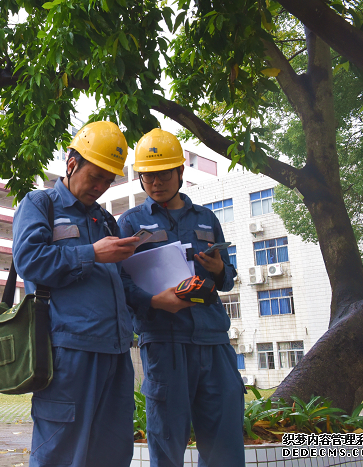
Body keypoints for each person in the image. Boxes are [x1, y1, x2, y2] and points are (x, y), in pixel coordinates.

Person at [12, 121, 140, 467]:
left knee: (112, 454)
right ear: (72, 164)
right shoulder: (41, 204)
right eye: (94, 177)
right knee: (60, 454)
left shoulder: (104, 219)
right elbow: (30, 261)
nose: (100, 187)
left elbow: (120, 282)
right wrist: (92, 253)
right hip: (69, 353)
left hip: (115, 353)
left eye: (107, 182)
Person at [118, 129, 245, 467]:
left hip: (214, 342)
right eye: (147, 176)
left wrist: (219, 270)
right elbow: (119, 283)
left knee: (225, 445)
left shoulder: (206, 219)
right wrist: (155, 301)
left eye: (162, 174)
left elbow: (228, 279)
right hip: (164, 344)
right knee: (167, 442)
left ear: (180, 172)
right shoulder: (130, 222)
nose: (154, 183)